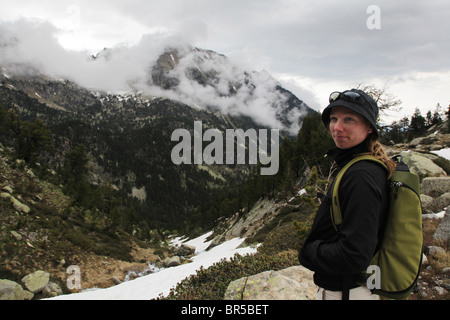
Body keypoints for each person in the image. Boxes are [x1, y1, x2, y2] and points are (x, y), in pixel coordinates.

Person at [298, 88, 396, 300]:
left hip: (347, 292)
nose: (337, 127)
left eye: (349, 119)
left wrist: (309, 252)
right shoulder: (356, 166)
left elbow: (355, 255)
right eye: (334, 119)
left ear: (369, 127)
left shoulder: (361, 175)